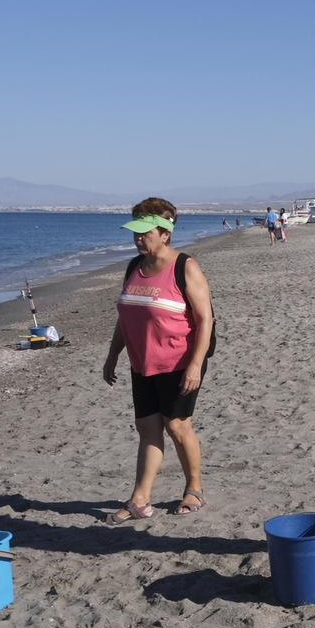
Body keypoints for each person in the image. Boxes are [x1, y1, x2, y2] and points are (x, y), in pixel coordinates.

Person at [102, 198, 214, 523]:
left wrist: (196, 364)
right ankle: (140, 499)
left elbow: (205, 319)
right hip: (142, 363)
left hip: (180, 361)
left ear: (165, 233)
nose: (138, 239)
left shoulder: (185, 267)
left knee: (177, 426)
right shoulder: (133, 267)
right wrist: (113, 354)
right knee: (147, 428)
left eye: (144, 232)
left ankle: (194, 488)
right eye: (134, 232)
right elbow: (126, 317)